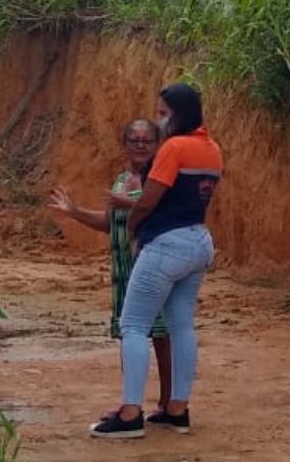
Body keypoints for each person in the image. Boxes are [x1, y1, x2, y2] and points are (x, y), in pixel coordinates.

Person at [90, 83, 222, 439]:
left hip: (166, 244)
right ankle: (177, 409)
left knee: (133, 324)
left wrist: (133, 229)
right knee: (181, 326)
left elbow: (148, 201)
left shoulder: (174, 148)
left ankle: (131, 412)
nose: (159, 120)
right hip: (198, 241)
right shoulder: (211, 150)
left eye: (163, 113)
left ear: (177, 114)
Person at [47, 119, 175, 424]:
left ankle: (168, 402)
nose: (140, 145)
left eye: (147, 140)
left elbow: (153, 208)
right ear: (125, 143)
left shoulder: (157, 179)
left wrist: (127, 203)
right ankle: (131, 401)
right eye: (134, 140)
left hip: (149, 266)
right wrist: (75, 212)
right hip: (122, 270)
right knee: (129, 335)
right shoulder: (121, 179)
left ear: (157, 145)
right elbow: (109, 222)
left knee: (160, 334)